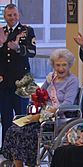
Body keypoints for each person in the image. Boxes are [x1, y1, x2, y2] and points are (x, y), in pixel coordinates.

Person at [2, 49, 79, 167]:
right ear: (53, 65)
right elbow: (38, 94)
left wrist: (44, 114)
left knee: (26, 133)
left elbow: (67, 103)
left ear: (69, 65)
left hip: (60, 118)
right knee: (14, 129)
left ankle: (31, 163)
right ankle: (17, 164)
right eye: (58, 65)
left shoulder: (72, 81)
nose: (61, 68)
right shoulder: (51, 78)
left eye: (64, 65)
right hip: (43, 116)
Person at [0, 3, 36, 147]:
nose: (12, 18)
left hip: (23, 80)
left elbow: (32, 52)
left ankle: (22, 147)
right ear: (4, 16)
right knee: (6, 115)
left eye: (15, 14)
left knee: (22, 115)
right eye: (9, 15)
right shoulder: (1, 31)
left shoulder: (27, 30)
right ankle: (7, 146)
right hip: (4, 80)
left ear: (19, 15)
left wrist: (18, 48)